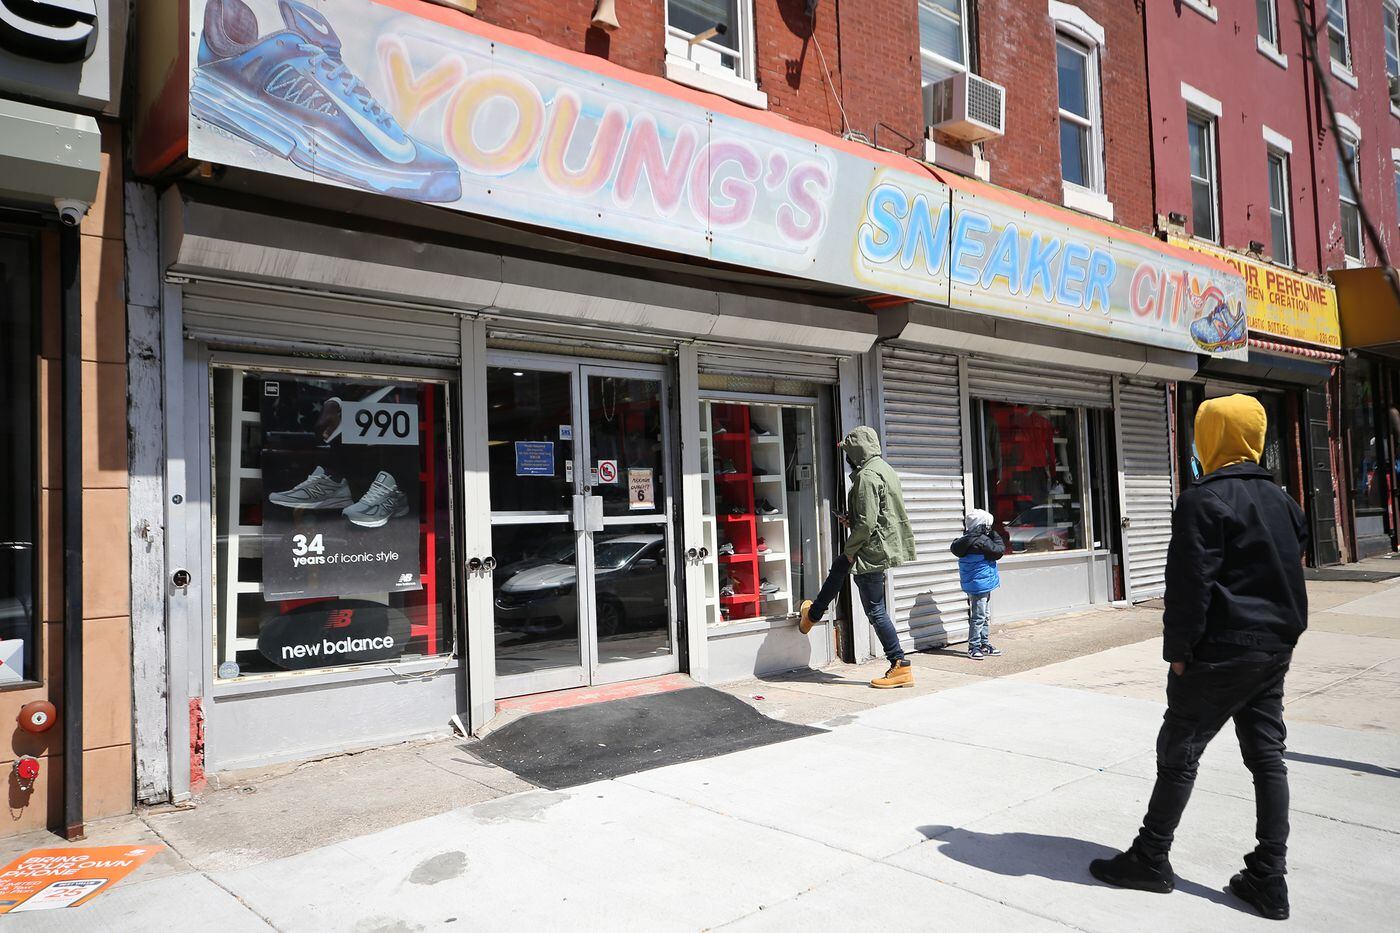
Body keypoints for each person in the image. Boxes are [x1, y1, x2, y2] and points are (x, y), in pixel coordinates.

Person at [1090, 395, 1308, 922]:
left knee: (1179, 751)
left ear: (1210, 436)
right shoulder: (1285, 501)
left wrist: (1179, 654)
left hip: (1219, 652)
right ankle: (1268, 876)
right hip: (1273, 650)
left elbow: (1190, 587)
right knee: (1266, 758)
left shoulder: (1202, 500)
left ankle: (1150, 856)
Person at [798, 426, 917, 688]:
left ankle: (899, 663)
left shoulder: (866, 476)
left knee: (875, 610)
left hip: (870, 548)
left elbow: (866, 524)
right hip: (880, 545)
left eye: (848, 452)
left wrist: (851, 549)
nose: (847, 458)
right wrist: (851, 520)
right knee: (839, 570)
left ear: (856, 452)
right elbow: (879, 513)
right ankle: (814, 614)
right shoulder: (885, 469)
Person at [950, 509, 1005, 660]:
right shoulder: (981, 541)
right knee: (979, 616)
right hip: (980, 583)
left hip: (976, 582)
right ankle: (974, 646)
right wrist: (995, 535)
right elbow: (999, 551)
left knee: (984, 615)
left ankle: (983, 643)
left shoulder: (965, 540)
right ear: (983, 526)